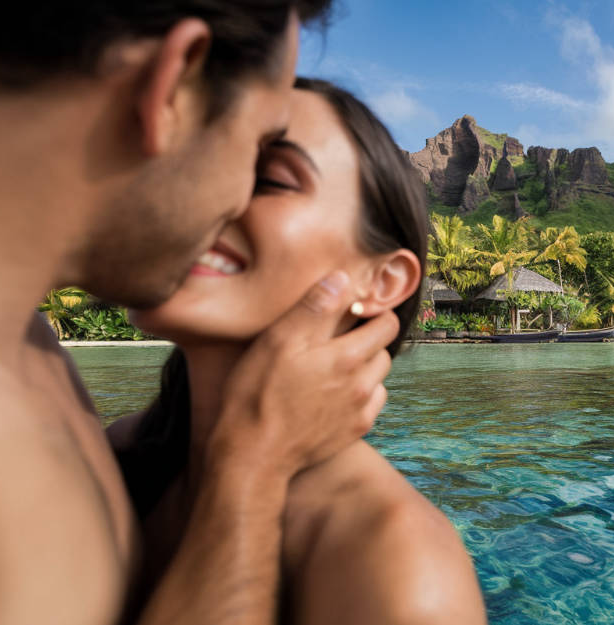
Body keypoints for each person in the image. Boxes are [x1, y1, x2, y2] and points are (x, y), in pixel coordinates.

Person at [0, 3, 401, 624]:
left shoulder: (37, 364)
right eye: (255, 147)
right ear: (174, 85)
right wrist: (254, 467)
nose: (234, 202)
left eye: (270, 173)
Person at [109, 77, 488, 625]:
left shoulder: (397, 563)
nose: (202, 191)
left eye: (268, 178)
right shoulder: (112, 455)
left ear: (382, 281)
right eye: (198, 160)